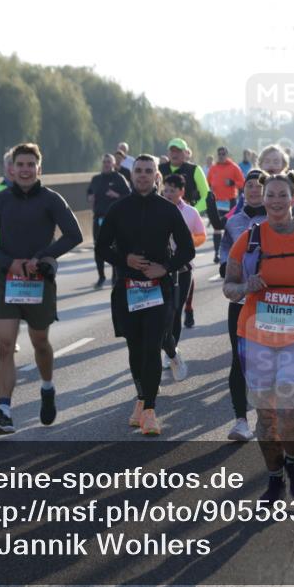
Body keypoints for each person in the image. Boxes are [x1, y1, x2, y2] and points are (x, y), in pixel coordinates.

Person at [223, 174, 294, 503]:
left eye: (281, 195)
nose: (275, 201)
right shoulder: (247, 240)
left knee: (290, 412)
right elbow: (229, 287)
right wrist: (247, 287)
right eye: (269, 195)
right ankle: (275, 479)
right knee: (266, 416)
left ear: (293, 199)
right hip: (256, 337)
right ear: (263, 199)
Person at [0, 143, 83, 434]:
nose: (24, 170)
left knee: (39, 342)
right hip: (7, 280)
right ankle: (4, 411)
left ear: (39, 169)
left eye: (30, 165)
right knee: (5, 345)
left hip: (39, 281)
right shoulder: (0, 200)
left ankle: (47, 387)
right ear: (11, 169)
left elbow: (74, 234)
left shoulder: (51, 200)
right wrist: (7, 262)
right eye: (19, 164)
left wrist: (43, 258)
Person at [96, 155, 195, 436]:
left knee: (152, 346)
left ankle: (150, 410)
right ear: (131, 175)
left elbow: (187, 250)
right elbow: (102, 247)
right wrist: (123, 259)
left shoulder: (167, 209)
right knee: (135, 348)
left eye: (148, 171)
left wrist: (164, 267)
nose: (142, 175)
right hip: (127, 288)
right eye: (138, 171)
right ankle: (141, 398)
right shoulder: (118, 209)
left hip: (159, 289)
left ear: (156, 176)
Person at [218, 168, 268, 442]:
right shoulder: (234, 222)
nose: (253, 190)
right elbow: (224, 259)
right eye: (249, 185)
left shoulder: (277, 221)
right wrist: (234, 267)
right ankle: (240, 421)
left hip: (271, 302)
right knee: (239, 360)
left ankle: (266, 416)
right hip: (240, 300)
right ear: (243, 190)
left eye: (259, 186)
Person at [160, 173, 206, 381]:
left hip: (183, 269)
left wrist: (187, 243)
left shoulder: (190, 212)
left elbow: (201, 235)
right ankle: (167, 347)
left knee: (176, 311)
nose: (168, 193)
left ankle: (172, 350)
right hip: (160, 269)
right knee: (162, 313)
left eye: (172, 190)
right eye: (166, 189)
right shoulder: (155, 209)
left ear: (181, 192)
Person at [227, 145, 294, 223]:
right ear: (260, 165)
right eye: (267, 161)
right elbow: (236, 218)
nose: (271, 165)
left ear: (283, 165)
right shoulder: (252, 190)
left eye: (276, 162)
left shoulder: (293, 190)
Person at [86, 153, 131, 288]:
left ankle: (114, 277)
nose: (106, 164)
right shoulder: (96, 179)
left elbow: (129, 196)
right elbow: (89, 192)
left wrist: (116, 195)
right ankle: (101, 277)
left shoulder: (119, 178)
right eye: (104, 162)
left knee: (114, 249)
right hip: (98, 218)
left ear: (113, 164)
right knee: (98, 248)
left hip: (113, 219)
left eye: (109, 162)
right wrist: (90, 197)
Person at [206, 146, 245, 264]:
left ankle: (232, 253)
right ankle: (216, 253)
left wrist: (233, 182)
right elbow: (207, 182)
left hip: (230, 202)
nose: (221, 156)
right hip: (217, 202)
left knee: (229, 227)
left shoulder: (234, 167)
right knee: (216, 228)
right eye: (220, 154)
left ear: (227, 155)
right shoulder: (213, 168)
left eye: (223, 153)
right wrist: (209, 187)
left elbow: (242, 183)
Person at [159, 138, 209, 215]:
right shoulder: (159, 169)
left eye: (178, 151)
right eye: (172, 151)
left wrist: (192, 211)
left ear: (186, 153)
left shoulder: (195, 169)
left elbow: (206, 196)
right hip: (162, 214)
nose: (175, 154)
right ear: (168, 153)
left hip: (187, 217)